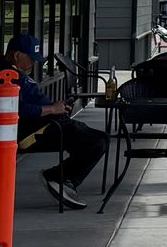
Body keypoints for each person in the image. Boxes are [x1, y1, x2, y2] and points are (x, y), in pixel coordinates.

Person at [7, 33, 105, 209]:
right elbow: (17, 109)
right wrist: (52, 109)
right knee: (95, 142)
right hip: (34, 132)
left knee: (100, 139)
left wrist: (57, 106)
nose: (34, 63)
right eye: (31, 58)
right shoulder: (7, 78)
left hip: (50, 123)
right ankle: (58, 177)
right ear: (17, 56)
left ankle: (64, 179)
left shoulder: (20, 75)